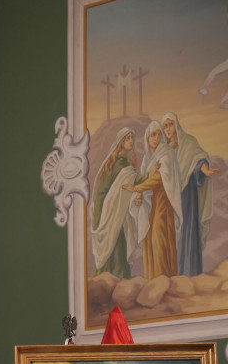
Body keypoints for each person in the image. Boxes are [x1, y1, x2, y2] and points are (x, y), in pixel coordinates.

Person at [161, 112, 220, 276]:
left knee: (187, 233)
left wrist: (206, 171)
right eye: (165, 126)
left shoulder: (188, 142)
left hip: (187, 196)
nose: (168, 129)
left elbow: (198, 160)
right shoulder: (164, 149)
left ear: (177, 125)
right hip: (170, 199)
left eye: (170, 124)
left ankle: (189, 273)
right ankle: (173, 274)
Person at [123, 120, 181, 279]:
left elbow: (158, 179)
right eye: (152, 135)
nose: (156, 138)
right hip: (150, 206)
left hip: (163, 202)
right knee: (149, 240)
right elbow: (145, 178)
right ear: (147, 138)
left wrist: (137, 189)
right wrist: (140, 195)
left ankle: (164, 277)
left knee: (159, 239)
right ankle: (152, 279)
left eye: (158, 134)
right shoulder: (148, 159)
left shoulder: (166, 153)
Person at [90, 128, 139, 279]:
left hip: (105, 208)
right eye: (127, 138)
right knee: (116, 244)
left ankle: (106, 282)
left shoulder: (114, 161)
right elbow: (127, 183)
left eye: (132, 137)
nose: (131, 140)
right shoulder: (121, 164)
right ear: (121, 143)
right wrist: (134, 170)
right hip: (110, 210)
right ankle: (116, 282)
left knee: (114, 243)